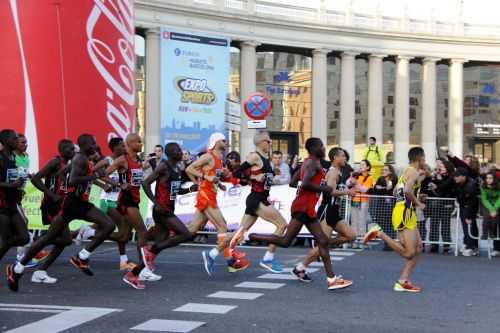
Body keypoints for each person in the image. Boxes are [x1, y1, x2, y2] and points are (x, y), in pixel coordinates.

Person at [7, 134, 115, 292]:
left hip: (72, 203)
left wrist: (68, 180)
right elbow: (73, 180)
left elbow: (64, 173)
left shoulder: (78, 160)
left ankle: (19, 269)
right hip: (71, 203)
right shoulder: (79, 159)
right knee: (108, 225)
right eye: (93, 143)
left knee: (54, 238)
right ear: (86, 145)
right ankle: (81, 256)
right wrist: (94, 176)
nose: (95, 145)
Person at [249, 138, 352, 290]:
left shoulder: (307, 163)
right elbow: (305, 183)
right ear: (314, 148)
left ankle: (332, 279)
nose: (324, 149)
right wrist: (325, 189)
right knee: (285, 241)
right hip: (303, 207)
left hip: (306, 207)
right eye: (321, 146)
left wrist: (314, 187)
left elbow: (292, 183)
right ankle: (252, 236)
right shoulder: (312, 163)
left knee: (322, 241)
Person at [132, 143, 197, 289]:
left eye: (180, 150)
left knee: (160, 243)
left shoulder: (178, 168)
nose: (180, 152)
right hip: (162, 211)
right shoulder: (164, 166)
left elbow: (172, 190)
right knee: (186, 234)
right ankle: (148, 252)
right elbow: (145, 183)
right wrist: (156, 203)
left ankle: (141, 271)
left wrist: (188, 190)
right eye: (177, 150)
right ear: (170, 153)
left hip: (169, 208)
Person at [363, 147, 426, 293]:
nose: (425, 160)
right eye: (424, 158)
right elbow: (407, 191)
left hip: (404, 210)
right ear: (419, 158)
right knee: (409, 253)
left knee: (418, 248)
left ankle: (403, 281)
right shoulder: (414, 172)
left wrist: (417, 197)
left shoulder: (405, 171)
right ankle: (379, 233)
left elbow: (395, 192)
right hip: (405, 212)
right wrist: (418, 203)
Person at [186, 132, 249, 275]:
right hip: (205, 195)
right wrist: (203, 179)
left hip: (211, 194)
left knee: (191, 230)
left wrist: (218, 184)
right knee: (223, 226)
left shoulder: (220, 159)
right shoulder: (208, 156)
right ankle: (225, 260)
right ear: (215, 141)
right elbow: (189, 169)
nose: (226, 141)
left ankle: (156, 246)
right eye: (223, 140)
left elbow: (213, 177)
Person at [291, 147, 356, 284]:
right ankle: (300, 267)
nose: (345, 158)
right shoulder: (333, 172)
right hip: (327, 209)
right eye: (342, 156)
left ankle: (323, 246)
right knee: (322, 244)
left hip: (334, 211)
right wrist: (347, 192)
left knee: (351, 236)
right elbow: (330, 192)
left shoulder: (338, 172)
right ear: (335, 158)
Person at [105, 133, 160, 285]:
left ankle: (94, 233)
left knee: (124, 235)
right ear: (130, 144)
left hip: (135, 199)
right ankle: (142, 270)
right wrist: (118, 184)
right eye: (138, 142)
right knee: (142, 232)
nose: (141, 144)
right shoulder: (123, 159)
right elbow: (103, 174)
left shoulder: (137, 160)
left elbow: (137, 177)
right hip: (126, 200)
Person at [229, 132, 287, 273]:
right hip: (256, 199)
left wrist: (272, 176)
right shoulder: (254, 156)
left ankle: (214, 252)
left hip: (259, 198)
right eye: (268, 141)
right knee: (282, 224)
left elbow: (264, 178)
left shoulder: (265, 159)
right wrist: (254, 176)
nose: (270, 144)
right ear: (261, 142)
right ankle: (268, 258)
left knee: (240, 232)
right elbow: (236, 173)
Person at [98, 137, 136, 271]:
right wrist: (105, 185)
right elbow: (94, 173)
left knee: (124, 233)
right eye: (121, 146)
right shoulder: (107, 161)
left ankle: (123, 261)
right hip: (107, 200)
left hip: (118, 200)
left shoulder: (124, 160)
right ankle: (90, 233)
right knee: (122, 231)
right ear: (114, 147)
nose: (124, 148)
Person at [0, 129, 30, 264]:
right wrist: (10, 186)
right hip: (1, 205)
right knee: (5, 239)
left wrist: (18, 189)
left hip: (12, 202)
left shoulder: (13, 157)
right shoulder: (0, 157)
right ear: (6, 141)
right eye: (14, 139)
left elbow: (11, 178)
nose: (17, 141)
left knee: (24, 238)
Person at [425, 159, 455, 254]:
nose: (440, 168)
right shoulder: (437, 176)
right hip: (436, 202)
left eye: (442, 167)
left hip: (447, 203)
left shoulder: (451, 177)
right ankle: (434, 243)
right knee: (434, 223)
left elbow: (445, 186)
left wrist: (438, 182)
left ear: (447, 168)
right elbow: (431, 187)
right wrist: (433, 181)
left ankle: (446, 244)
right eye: (440, 167)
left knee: (445, 224)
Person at [453, 167, 480, 256]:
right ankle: (471, 246)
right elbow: (459, 194)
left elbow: (472, 202)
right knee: (467, 228)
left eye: (457, 176)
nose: (455, 178)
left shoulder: (470, 185)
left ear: (463, 176)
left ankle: (471, 247)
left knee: (470, 227)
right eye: (455, 176)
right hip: (463, 206)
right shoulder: (460, 183)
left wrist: (468, 216)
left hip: (469, 208)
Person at [370, 164, 398, 250]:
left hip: (391, 205)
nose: (383, 171)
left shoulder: (394, 179)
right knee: (382, 223)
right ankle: (386, 242)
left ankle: (391, 244)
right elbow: (376, 189)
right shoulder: (380, 179)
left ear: (390, 171)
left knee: (390, 224)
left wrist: (383, 188)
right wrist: (385, 188)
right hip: (381, 204)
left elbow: (391, 190)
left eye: (385, 170)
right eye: (383, 170)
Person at [350, 160, 373, 247]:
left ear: (367, 167)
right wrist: (353, 177)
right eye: (360, 164)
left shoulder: (369, 177)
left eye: (363, 164)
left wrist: (356, 184)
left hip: (363, 200)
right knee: (354, 220)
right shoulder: (356, 175)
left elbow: (365, 189)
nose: (361, 166)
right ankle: (354, 241)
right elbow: (348, 183)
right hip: (354, 199)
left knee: (362, 220)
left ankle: (362, 241)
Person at [479, 172, 499, 256]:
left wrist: (494, 209)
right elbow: (484, 199)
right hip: (487, 206)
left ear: (494, 179)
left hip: (497, 205)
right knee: (486, 217)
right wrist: (491, 208)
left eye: (490, 178)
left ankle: (492, 232)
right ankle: (485, 233)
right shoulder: (483, 186)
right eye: (487, 178)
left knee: (494, 218)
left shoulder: (498, 186)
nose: (488, 180)